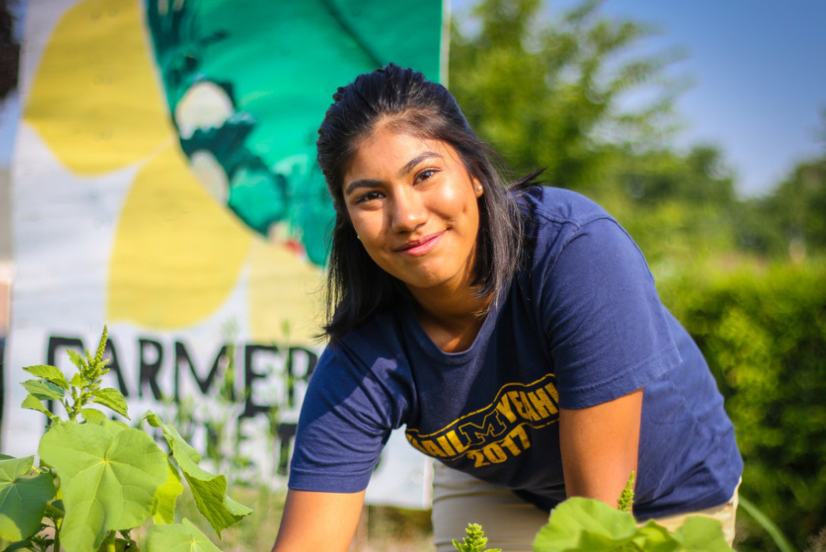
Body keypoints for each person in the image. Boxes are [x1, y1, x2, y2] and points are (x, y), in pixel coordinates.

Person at [272, 64, 743, 552]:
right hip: (506, 489)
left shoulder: (575, 253)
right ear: (348, 218)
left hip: (669, 492)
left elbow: (600, 527)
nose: (407, 217)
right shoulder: (364, 351)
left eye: (426, 174)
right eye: (370, 196)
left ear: (475, 173)